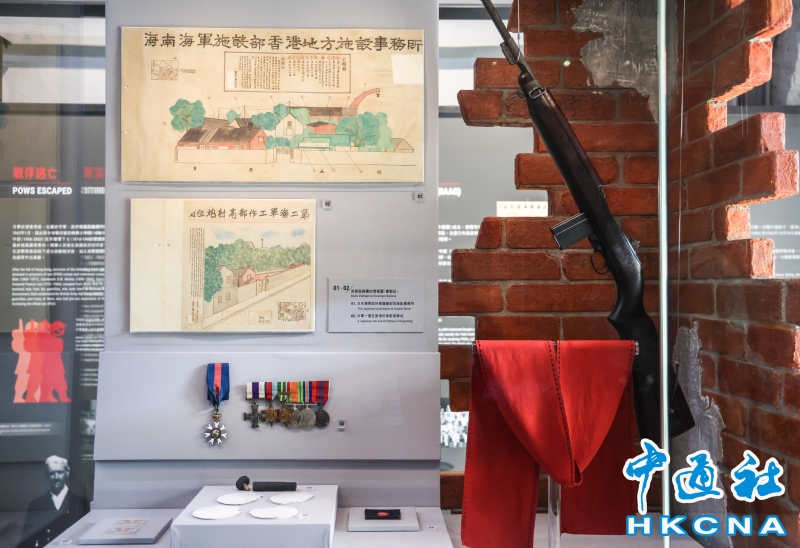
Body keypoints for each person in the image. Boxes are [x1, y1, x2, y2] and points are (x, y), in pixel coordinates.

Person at [19, 456, 88, 548]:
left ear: (67, 473)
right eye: (52, 473)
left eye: (60, 472)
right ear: (47, 475)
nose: (56, 477)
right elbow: (27, 542)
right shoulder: (36, 504)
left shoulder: (81, 503)